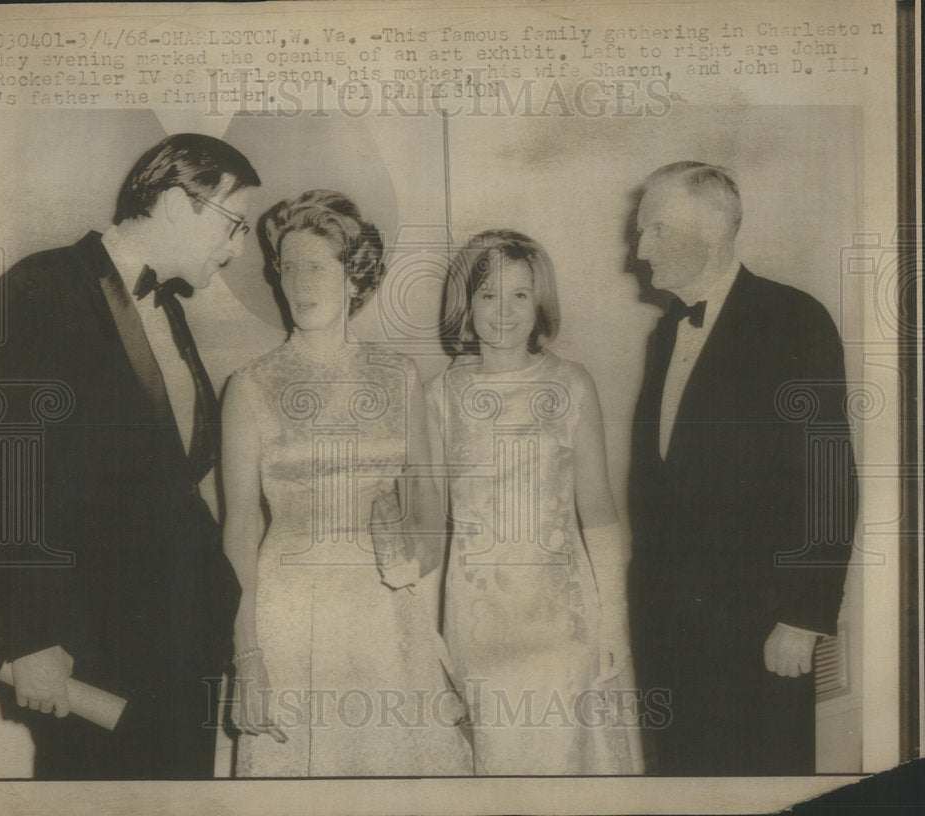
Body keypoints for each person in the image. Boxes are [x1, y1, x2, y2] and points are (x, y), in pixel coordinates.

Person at [0, 133, 261, 779]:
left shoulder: (167, 309)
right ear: (177, 202)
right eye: (234, 223)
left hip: (181, 648)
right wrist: (30, 637)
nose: (238, 248)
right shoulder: (42, 286)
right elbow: (2, 476)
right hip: (88, 651)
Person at [223, 189, 471, 776]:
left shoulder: (398, 375)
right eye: (288, 267)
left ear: (353, 274)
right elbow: (239, 531)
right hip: (288, 613)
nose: (298, 283)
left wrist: (412, 561)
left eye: (316, 266)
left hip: (385, 609)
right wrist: (247, 658)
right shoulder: (249, 386)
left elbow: (428, 500)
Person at [626, 161, 856, 775]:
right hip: (671, 634)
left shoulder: (794, 318)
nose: (640, 249)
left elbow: (830, 482)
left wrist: (804, 617)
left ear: (711, 227)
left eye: (655, 229)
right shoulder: (665, 334)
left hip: (760, 632)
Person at [427, 229, 642, 775]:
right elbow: (429, 526)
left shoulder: (571, 384)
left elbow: (598, 510)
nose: (504, 311)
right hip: (479, 624)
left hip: (564, 623)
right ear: (466, 303)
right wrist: (425, 632)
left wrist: (613, 623)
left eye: (520, 294)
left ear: (539, 300)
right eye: (488, 294)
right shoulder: (441, 396)